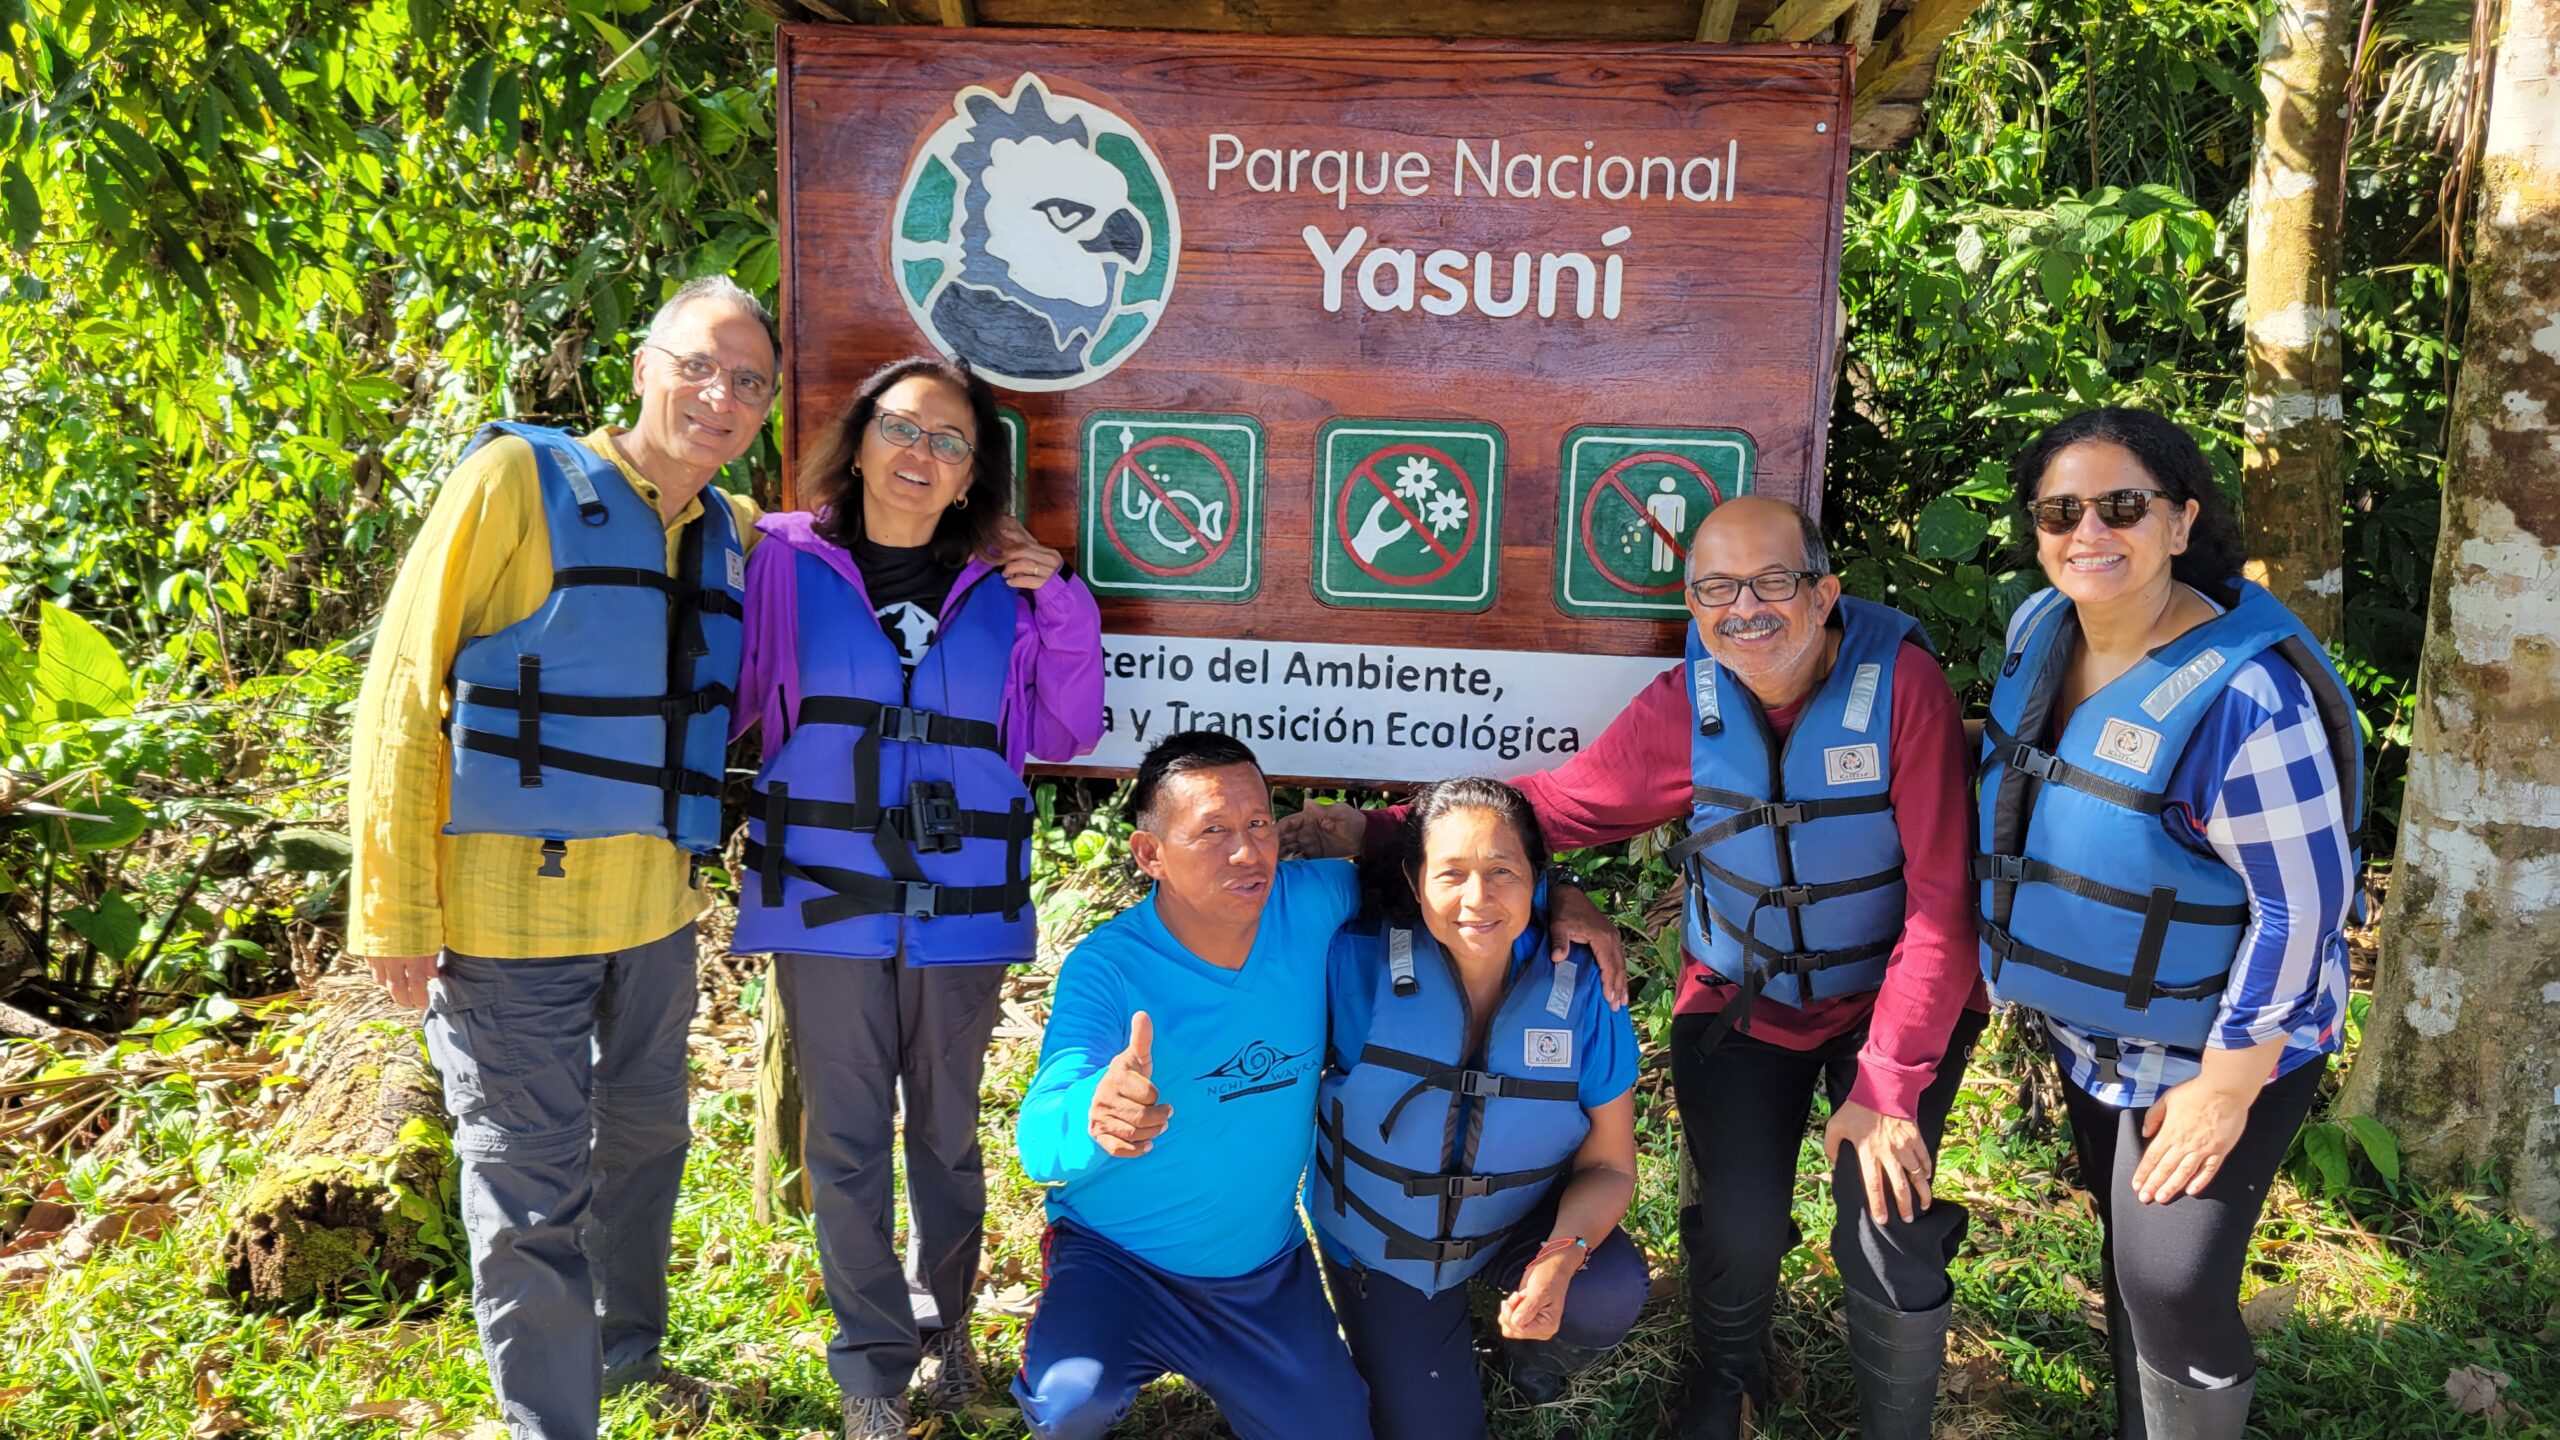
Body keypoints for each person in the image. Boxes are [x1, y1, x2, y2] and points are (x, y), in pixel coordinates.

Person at [1286, 495, 1984, 1440]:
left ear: (1823, 593)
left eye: (1772, 581)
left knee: (1886, 1223)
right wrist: (1381, 832)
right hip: (1742, 1003)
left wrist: (1890, 1084)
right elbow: (1555, 809)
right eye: (1716, 589)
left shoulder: (1902, 688)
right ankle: (1724, 1375)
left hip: (1891, 1003)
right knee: (1733, 1230)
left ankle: (1892, 1423)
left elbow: (1946, 902)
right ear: (1692, 607)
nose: (1746, 608)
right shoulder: (1685, 707)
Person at [347, 275, 775, 1439]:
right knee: (527, 1181)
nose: (717, 395)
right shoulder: (515, 483)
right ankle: (553, 1420)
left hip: (652, 914)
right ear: (642, 366)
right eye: (696, 364)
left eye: (746, 382)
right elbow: (402, 689)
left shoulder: (727, 533)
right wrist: (392, 908)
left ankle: (627, 1358)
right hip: (503, 918)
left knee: (645, 1146)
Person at [1009, 733, 1623, 1440]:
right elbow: (1038, 1130)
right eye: (1213, 832)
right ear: (1151, 856)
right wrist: (1092, 1111)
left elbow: (1458, 875)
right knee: (1070, 1400)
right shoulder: (1108, 968)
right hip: (1117, 1258)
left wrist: (1565, 895)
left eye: (1259, 824)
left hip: (1260, 1270)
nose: (1247, 852)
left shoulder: (1318, 902)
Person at [729, 355, 1103, 1440]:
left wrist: (1064, 600)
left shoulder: (1006, 587)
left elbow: (1066, 730)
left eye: (949, 444)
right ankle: (870, 1369)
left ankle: (947, 1336)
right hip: (824, 899)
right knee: (844, 1140)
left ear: (970, 475)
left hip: (963, 905)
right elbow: (738, 694)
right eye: (902, 429)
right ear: (859, 439)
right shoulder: (783, 562)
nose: (920, 455)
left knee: (944, 1136)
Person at [1975, 408, 2361, 1438]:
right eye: (2060, 511)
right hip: (2094, 1024)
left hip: (2231, 1033)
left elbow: (2303, 908)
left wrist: (2224, 1086)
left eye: (2122, 506)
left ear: (2181, 523)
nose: (2087, 532)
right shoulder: (2038, 633)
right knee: (2124, 1253)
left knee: (2169, 1278)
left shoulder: (2248, 699)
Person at [1312, 776, 1647, 1440]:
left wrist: (1559, 1256)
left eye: (1502, 872)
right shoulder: (1350, 963)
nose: (1477, 899)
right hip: (1382, 1247)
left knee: (1605, 1291)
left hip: (1512, 1224)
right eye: (1451, 874)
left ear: (1538, 883)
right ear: (1414, 881)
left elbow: (1611, 1163)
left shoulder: (1583, 989)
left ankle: (1531, 1346)